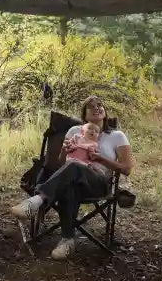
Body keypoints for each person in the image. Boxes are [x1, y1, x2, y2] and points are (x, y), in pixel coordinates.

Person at [10, 96, 134, 260]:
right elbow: (62, 163)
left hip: (98, 182)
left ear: (105, 112)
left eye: (100, 105)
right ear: (84, 114)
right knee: (70, 184)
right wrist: (64, 150)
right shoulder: (74, 131)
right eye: (91, 106)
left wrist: (99, 159)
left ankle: (38, 199)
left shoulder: (117, 136)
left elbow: (127, 169)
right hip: (73, 179)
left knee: (75, 167)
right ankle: (67, 240)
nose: (97, 108)